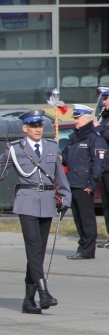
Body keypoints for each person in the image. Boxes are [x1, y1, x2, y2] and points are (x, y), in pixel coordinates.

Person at [0, 109, 71, 314]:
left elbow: (59, 176)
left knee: (38, 253)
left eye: (40, 125)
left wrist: (66, 197)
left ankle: (28, 300)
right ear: (25, 128)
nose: (38, 129)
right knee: (33, 249)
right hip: (27, 201)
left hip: (47, 201)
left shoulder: (50, 147)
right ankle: (44, 293)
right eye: (33, 126)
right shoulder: (15, 149)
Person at [61, 104, 107, 260]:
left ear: (87, 119)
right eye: (75, 118)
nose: (75, 121)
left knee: (87, 219)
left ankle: (88, 250)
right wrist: (60, 156)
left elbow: (98, 163)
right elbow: (67, 159)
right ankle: (82, 247)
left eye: (78, 118)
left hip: (84, 185)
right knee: (78, 219)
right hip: (73, 182)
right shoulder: (74, 138)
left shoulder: (94, 138)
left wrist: (91, 184)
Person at [94, 89, 109, 248]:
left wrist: (100, 128)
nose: (103, 102)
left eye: (106, 98)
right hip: (104, 168)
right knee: (105, 205)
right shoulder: (105, 117)